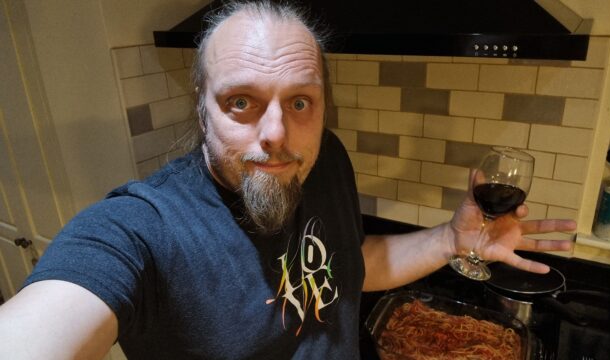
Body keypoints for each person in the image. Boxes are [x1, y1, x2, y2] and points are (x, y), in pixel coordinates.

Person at [0, 1, 576, 359]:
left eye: (300, 101)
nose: (277, 131)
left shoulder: (326, 163)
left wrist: (452, 241)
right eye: (241, 101)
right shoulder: (143, 228)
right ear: (202, 108)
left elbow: (350, 267)